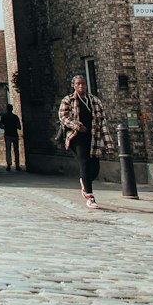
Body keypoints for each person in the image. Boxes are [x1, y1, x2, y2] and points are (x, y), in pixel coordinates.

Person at [58, 75, 113, 209]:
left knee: (95, 167)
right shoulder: (68, 100)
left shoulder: (94, 101)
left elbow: (102, 122)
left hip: (93, 137)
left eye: (83, 84)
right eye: (78, 84)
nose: (81, 86)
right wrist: (77, 126)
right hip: (76, 137)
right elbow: (63, 117)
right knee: (84, 163)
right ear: (74, 86)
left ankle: (85, 181)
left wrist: (108, 143)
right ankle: (89, 195)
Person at [0, 102, 22, 171]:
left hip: (7, 134)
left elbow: (1, 126)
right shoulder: (15, 117)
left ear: (7, 109)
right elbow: (19, 127)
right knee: (16, 150)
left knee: (8, 150)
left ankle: (9, 164)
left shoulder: (4, 117)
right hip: (14, 134)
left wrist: (6, 127)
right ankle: (17, 165)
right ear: (12, 109)